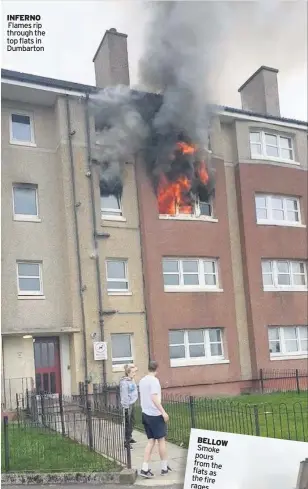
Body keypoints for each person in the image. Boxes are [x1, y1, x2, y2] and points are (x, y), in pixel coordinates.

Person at [138, 360, 172, 478]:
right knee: (161, 440)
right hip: (155, 414)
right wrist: (163, 412)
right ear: (157, 369)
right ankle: (164, 467)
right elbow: (154, 397)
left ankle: (145, 467)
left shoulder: (142, 380)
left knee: (151, 441)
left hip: (145, 413)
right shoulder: (154, 381)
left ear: (148, 368)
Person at [119, 364, 138, 449]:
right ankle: (126, 442)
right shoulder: (124, 383)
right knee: (127, 423)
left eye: (135, 372)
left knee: (132, 421)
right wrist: (126, 407)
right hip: (127, 405)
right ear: (128, 373)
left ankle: (129, 437)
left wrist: (132, 366)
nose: (135, 373)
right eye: (133, 372)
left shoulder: (131, 380)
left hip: (132, 403)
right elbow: (124, 396)